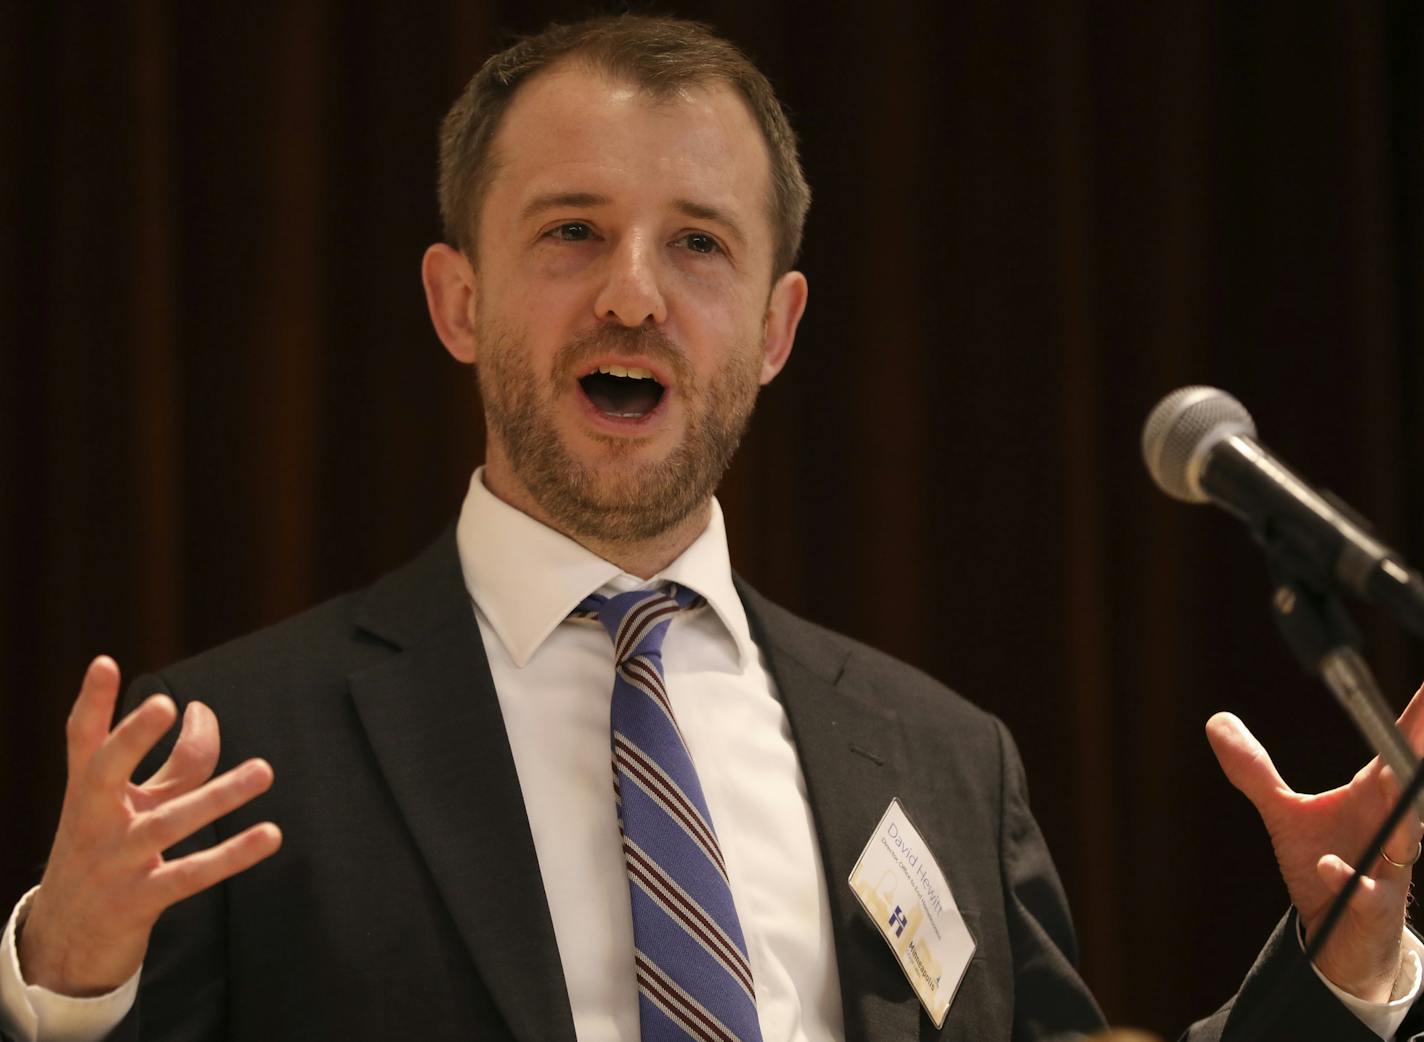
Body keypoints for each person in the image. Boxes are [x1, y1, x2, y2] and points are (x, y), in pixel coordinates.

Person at [2, 14, 1422, 1042]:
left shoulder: (945, 761)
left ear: (777, 327)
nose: (633, 294)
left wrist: (1336, 970)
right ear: (457, 300)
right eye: (569, 231)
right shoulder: (228, 750)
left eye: (698, 242)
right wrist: (67, 980)